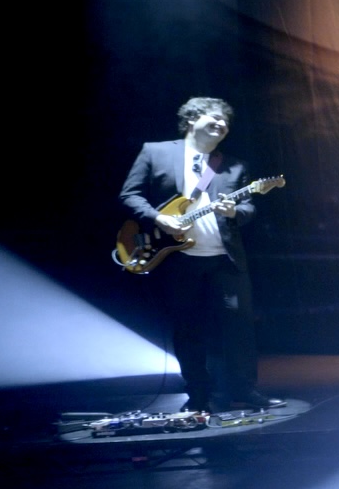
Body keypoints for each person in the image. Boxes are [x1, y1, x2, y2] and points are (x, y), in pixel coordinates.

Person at [118, 96, 276, 413]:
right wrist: (158, 218)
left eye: (226, 122)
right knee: (188, 328)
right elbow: (130, 195)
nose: (222, 124)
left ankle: (244, 390)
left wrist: (235, 211)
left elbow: (249, 208)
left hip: (225, 260)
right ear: (192, 119)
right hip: (178, 258)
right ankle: (198, 395)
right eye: (215, 118)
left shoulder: (234, 166)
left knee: (239, 327)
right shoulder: (156, 152)